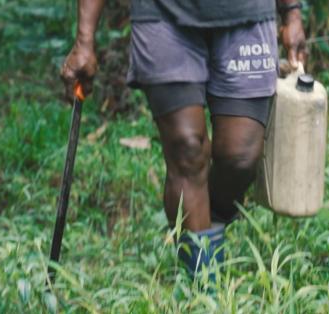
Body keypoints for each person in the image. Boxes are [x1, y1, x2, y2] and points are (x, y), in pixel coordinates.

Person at [60, 0, 307, 279]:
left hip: (248, 16)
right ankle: (204, 288)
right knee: (186, 150)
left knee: (240, 158)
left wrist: (292, 12)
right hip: (161, 17)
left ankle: (204, 229)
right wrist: (84, 39)